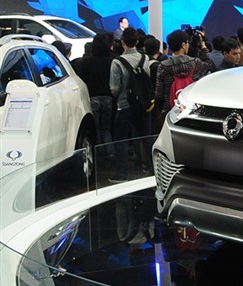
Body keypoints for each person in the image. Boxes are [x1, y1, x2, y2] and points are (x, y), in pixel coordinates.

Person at [109, 27, 153, 182]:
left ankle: (122, 174)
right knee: (147, 138)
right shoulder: (145, 58)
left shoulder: (117, 62)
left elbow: (114, 88)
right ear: (137, 41)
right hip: (143, 105)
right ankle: (154, 171)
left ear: (123, 42)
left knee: (120, 140)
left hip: (124, 105)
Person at [74, 32, 115, 160]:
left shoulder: (85, 62)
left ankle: (98, 157)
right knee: (106, 128)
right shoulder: (112, 61)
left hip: (92, 97)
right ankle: (110, 153)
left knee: (95, 129)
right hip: (108, 98)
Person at [154, 29, 215, 115]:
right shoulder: (195, 62)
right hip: (191, 108)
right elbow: (208, 64)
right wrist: (203, 45)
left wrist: (163, 109)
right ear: (183, 45)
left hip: (170, 109)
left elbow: (159, 93)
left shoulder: (163, 66)